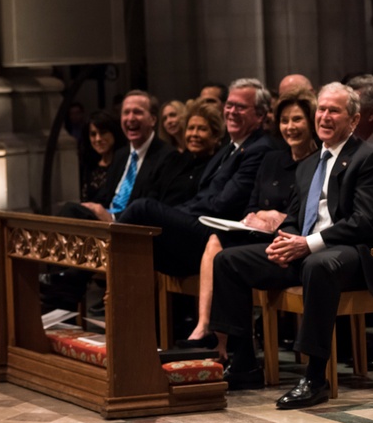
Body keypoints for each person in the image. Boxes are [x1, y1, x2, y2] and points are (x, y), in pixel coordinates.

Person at [210, 83, 373, 409]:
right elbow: (295, 217)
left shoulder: (371, 158)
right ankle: (242, 363)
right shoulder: (309, 163)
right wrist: (284, 241)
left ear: (353, 120)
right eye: (321, 109)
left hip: (352, 252)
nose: (324, 116)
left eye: (333, 111)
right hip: (305, 249)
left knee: (317, 264)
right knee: (228, 260)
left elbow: (364, 222)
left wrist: (307, 244)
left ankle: (315, 376)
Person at [181, 89, 318, 350]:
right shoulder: (272, 158)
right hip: (259, 235)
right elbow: (253, 205)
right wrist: (259, 216)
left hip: (292, 243)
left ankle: (226, 349)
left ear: (311, 122)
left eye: (297, 120)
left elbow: (309, 216)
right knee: (215, 241)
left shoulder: (317, 163)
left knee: (228, 262)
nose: (290, 127)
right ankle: (207, 333)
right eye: (285, 121)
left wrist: (279, 218)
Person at [118, 78, 275, 276]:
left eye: (241, 107)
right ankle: (138, 302)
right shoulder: (230, 148)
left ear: (260, 115)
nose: (232, 112)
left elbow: (224, 204)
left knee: (143, 209)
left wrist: (176, 215)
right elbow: (203, 195)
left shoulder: (259, 149)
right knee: (146, 247)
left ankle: (108, 267)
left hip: (218, 234)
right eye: (229, 105)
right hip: (199, 223)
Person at [69, 91, 171, 221]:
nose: (130, 118)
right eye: (126, 112)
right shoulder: (121, 155)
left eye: (137, 112)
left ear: (153, 119)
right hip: (104, 223)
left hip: (133, 228)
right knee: (71, 211)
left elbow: (152, 207)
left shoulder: (167, 156)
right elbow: (105, 196)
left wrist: (112, 217)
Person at [147, 101, 224, 206]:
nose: (194, 134)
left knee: (140, 207)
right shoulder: (173, 159)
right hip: (157, 216)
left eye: (202, 129)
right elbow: (154, 192)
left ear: (215, 136)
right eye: (191, 128)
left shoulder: (218, 166)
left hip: (188, 218)